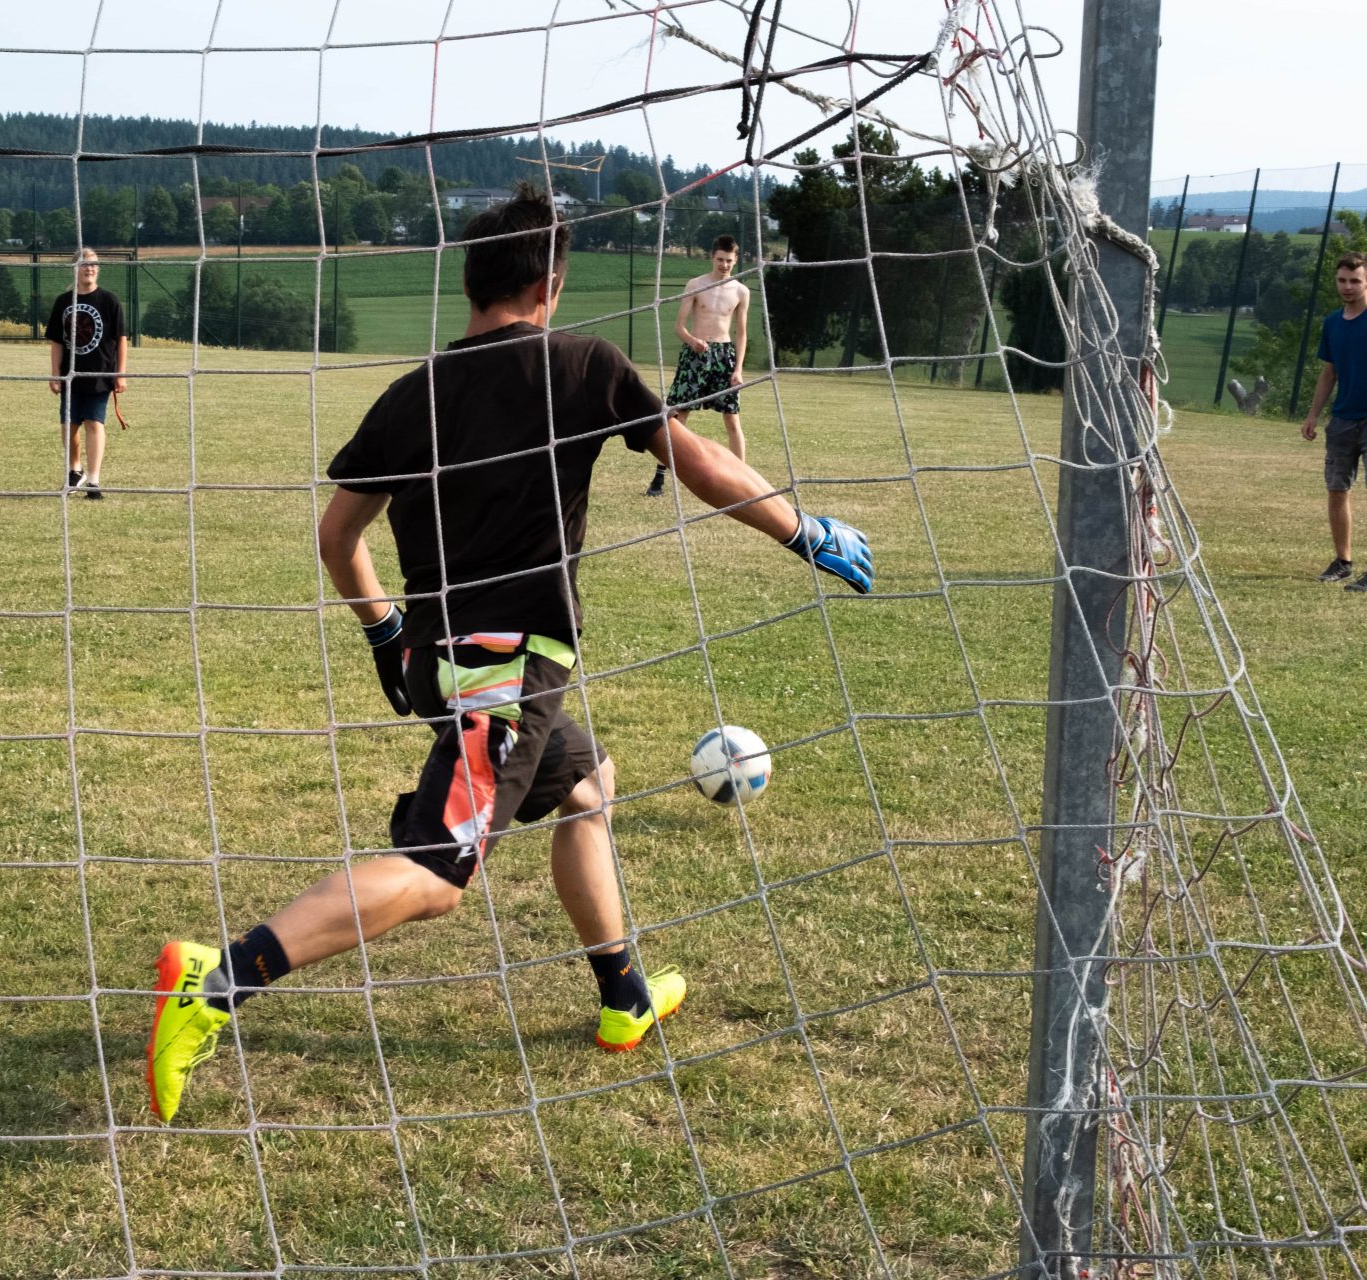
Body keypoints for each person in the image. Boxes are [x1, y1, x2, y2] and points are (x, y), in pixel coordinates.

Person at [145, 187, 874, 1123]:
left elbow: (338, 537)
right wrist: (801, 530)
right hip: (505, 667)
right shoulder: (581, 366)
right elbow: (697, 461)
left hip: (444, 658)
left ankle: (624, 998)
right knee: (437, 877)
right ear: (552, 283)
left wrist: (384, 632)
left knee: (586, 783)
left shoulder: (414, 393)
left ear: (471, 283)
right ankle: (218, 980)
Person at [646, 234, 750, 497]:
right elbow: (679, 327)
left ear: (736, 260)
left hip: (724, 357)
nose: (724, 265)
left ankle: (742, 479)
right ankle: (659, 477)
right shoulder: (695, 285)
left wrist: (737, 369)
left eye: (729, 260)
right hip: (695, 355)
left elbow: (741, 334)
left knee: (732, 419)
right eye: (720, 260)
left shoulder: (741, 291)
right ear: (711, 258)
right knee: (678, 417)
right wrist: (693, 342)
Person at [1303, 251, 1367, 592]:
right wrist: (1314, 413)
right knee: (1337, 489)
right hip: (1342, 419)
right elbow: (1329, 372)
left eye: (1355, 281)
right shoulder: (1332, 323)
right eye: (1342, 280)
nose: (1348, 287)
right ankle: (1343, 562)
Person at [44, 250, 127, 498]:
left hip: (100, 374)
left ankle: (93, 481)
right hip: (71, 375)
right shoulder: (63, 302)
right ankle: (75, 470)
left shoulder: (109, 301)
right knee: (69, 426)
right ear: (75, 269)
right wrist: (55, 373)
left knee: (94, 423)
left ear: (98, 269)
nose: (89, 269)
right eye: (83, 265)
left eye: (93, 264)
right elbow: (57, 341)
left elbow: (121, 340)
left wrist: (120, 374)